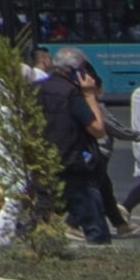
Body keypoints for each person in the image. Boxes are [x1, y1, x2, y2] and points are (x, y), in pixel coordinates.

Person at [33, 46, 116, 244]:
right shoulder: (71, 93)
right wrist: (89, 95)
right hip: (71, 161)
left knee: (43, 217)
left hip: (42, 162)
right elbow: (97, 128)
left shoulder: (36, 89)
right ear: (75, 70)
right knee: (95, 224)